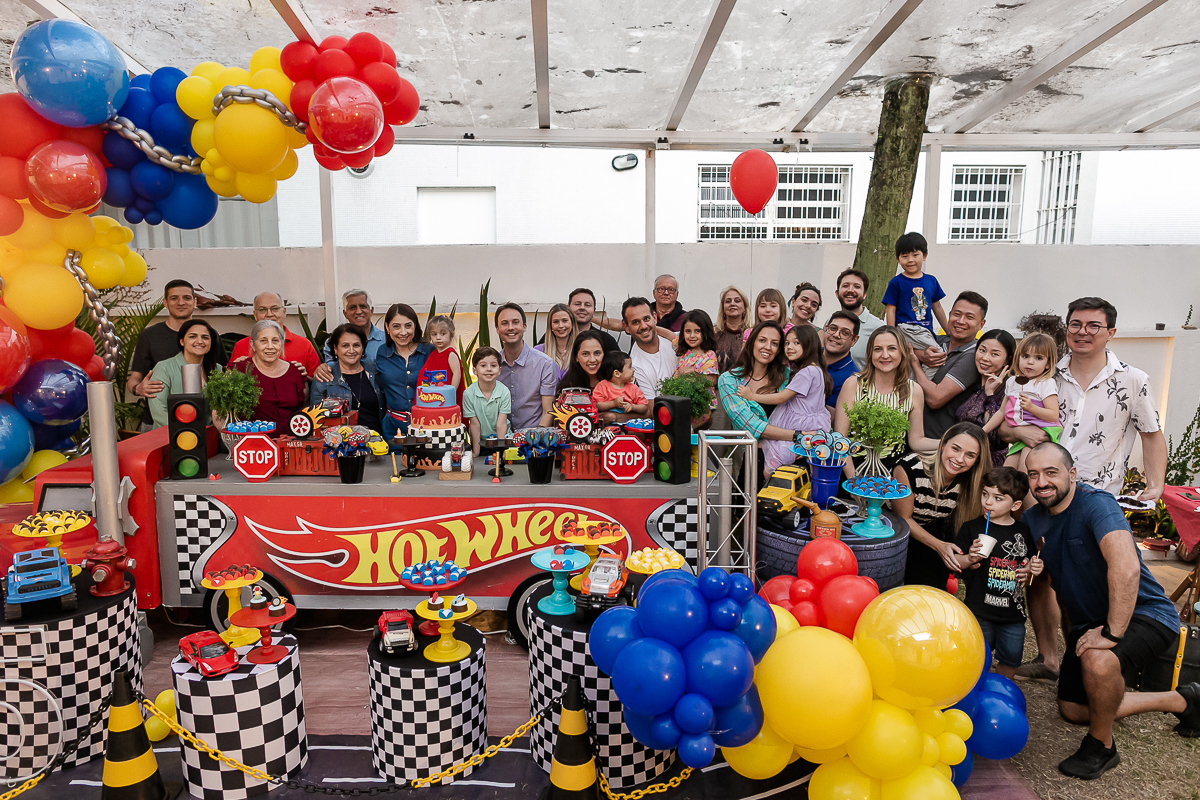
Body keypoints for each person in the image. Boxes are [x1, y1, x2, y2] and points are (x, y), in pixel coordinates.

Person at [1009, 298, 1168, 684]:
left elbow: (1151, 433)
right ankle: (1049, 658)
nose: (1083, 332)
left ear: (1110, 332)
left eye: (1093, 326)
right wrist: (1015, 432)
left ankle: (1080, 661)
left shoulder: (1134, 380)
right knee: (1040, 574)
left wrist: (1156, 484)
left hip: (1097, 497)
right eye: (1076, 324)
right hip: (1041, 492)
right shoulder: (1047, 375)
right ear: (1066, 329)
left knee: (1079, 584)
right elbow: (1011, 418)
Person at [1022, 443, 1200, 780]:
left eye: (1051, 472)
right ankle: (1182, 700)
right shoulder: (1034, 519)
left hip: (1145, 613)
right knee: (1074, 709)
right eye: (1034, 474)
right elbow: (1044, 577)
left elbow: (1126, 569)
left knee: (1098, 660)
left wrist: (1111, 634)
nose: (1041, 482)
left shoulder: (1096, 505)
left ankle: (1102, 747)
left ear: (1072, 474)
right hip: (1092, 622)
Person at [953, 467, 1042, 680]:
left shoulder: (1023, 532)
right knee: (975, 657)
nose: (988, 502)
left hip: (1012, 615)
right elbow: (955, 562)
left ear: (1016, 505)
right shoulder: (972, 528)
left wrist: (1033, 569)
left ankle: (1002, 689)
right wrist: (969, 558)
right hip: (979, 610)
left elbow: (1029, 567)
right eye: (985, 494)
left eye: (997, 498)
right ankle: (975, 688)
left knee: (1010, 659)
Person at [891, 422, 988, 588]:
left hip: (930, 529)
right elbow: (903, 519)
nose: (959, 459)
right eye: (955, 448)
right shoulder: (909, 468)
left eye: (970, 455)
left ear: (977, 460)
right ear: (943, 445)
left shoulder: (972, 481)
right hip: (894, 529)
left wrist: (969, 557)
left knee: (930, 589)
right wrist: (940, 546)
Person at [833, 326, 937, 471]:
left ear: (902, 352)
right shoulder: (853, 384)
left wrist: (947, 443)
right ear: (870, 354)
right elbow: (840, 438)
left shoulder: (914, 390)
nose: (885, 355)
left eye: (892, 348)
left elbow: (916, 441)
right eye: (878, 349)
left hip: (893, 471)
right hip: (853, 466)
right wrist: (854, 482)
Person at [129, 280, 228, 427]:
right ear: (165, 303)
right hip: (157, 421)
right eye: (174, 298)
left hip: (205, 428)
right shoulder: (149, 336)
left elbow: (222, 372)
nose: (181, 302)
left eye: (187, 298)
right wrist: (137, 388)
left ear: (195, 302)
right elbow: (134, 378)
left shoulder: (211, 335)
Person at [717, 322, 803, 485]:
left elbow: (803, 412)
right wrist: (798, 436)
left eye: (775, 343)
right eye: (762, 340)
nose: (768, 347)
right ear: (752, 343)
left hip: (789, 462)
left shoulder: (787, 377)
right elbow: (750, 426)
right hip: (754, 461)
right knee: (751, 509)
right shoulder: (729, 380)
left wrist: (804, 444)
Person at [739, 325, 831, 475]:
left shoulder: (806, 372)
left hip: (800, 423)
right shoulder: (817, 370)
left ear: (809, 344)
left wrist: (752, 396)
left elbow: (781, 397)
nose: (789, 347)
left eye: (796, 343)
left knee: (771, 467)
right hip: (815, 423)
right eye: (787, 343)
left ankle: (772, 492)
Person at [912, 292, 988, 442]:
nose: (960, 321)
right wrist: (919, 353)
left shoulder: (974, 355)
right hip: (910, 438)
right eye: (957, 314)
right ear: (949, 314)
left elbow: (935, 399)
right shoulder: (937, 341)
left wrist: (915, 363)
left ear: (981, 324)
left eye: (969, 317)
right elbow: (901, 346)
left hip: (941, 444)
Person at [983, 332, 1061, 470]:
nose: (1030, 362)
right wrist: (982, 432)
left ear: (1048, 364)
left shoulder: (1045, 383)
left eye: (1038, 358)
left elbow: (1053, 415)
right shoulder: (1012, 382)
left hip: (1041, 432)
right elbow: (1002, 412)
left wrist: (1032, 408)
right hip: (1021, 437)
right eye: (1025, 356)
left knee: (1025, 470)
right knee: (1007, 472)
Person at [883, 231, 948, 369]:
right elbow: (891, 309)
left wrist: (949, 331)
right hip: (905, 329)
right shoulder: (896, 282)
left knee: (913, 364)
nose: (910, 260)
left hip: (925, 331)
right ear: (898, 259)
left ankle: (920, 386)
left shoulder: (931, 281)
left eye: (915, 255)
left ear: (924, 256)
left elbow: (937, 308)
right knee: (938, 355)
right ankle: (928, 386)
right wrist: (891, 334)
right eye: (904, 256)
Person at [231, 320, 308, 436]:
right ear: (252, 344)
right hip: (253, 447)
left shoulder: (295, 372)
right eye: (263, 341)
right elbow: (220, 411)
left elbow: (303, 409)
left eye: (275, 341)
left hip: (290, 445)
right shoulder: (239, 371)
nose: (270, 346)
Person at [955, 329, 1017, 468]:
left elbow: (994, 434)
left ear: (1008, 359)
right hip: (963, 462)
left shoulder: (1010, 391)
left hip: (989, 467)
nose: (985, 358)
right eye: (982, 350)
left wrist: (990, 395)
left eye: (994, 354)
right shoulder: (972, 385)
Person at [147, 319, 223, 429]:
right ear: (182, 341)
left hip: (208, 438)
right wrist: (188, 432)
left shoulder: (218, 369)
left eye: (205, 337)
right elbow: (159, 413)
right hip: (171, 438)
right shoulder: (164, 368)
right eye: (193, 336)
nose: (200, 341)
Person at [228, 291, 321, 377]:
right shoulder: (241, 346)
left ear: (284, 312)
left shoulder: (304, 345)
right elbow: (229, 383)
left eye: (275, 308)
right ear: (255, 315)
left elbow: (318, 384)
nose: (269, 314)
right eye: (262, 310)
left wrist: (303, 377)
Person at [309, 324, 382, 433]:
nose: (351, 350)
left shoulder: (375, 372)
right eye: (345, 346)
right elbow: (316, 421)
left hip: (376, 442)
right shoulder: (324, 379)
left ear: (363, 347)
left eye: (356, 345)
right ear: (335, 349)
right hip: (340, 445)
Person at [375, 303, 433, 439]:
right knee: (393, 461)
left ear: (415, 326)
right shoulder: (382, 353)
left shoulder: (430, 351)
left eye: (408, 326)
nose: (403, 332)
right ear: (387, 328)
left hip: (427, 426)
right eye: (396, 326)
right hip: (393, 428)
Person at [496, 303, 557, 430]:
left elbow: (548, 412)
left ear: (524, 326)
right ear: (497, 329)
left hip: (533, 440)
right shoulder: (491, 366)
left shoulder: (545, 364)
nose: (510, 327)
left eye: (515, 322)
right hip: (499, 438)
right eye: (504, 323)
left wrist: (534, 440)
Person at [624, 297, 677, 401]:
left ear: (655, 318)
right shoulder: (634, 366)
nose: (643, 326)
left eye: (647, 319)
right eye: (635, 322)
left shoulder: (677, 341)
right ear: (626, 327)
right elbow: (653, 407)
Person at [673, 310, 719, 428]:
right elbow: (670, 335)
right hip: (681, 403)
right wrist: (655, 327)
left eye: (697, 331)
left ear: (706, 332)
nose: (692, 336)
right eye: (688, 331)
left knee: (697, 439)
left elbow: (713, 380)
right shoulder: (683, 351)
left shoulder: (709, 355)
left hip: (701, 407)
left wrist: (694, 373)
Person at [462, 347, 510, 456]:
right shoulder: (468, 394)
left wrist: (501, 452)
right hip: (481, 442)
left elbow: (501, 424)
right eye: (483, 366)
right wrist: (475, 452)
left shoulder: (504, 392)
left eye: (493, 365)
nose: (489, 369)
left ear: (499, 370)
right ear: (475, 371)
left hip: (502, 440)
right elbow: (474, 424)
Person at [833, 268, 883, 369]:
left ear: (865, 295)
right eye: (846, 286)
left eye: (857, 286)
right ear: (837, 293)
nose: (850, 290)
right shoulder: (831, 322)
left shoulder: (878, 328)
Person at [321, 290, 385, 364]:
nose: (358, 311)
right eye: (352, 308)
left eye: (363, 306)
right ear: (345, 313)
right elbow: (330, 370)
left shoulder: (386, 340)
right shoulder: (333, 342)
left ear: (371, 310)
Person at [822, 311, 860, 416]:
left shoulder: (850, 378)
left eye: (845, 333)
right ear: (826, 328)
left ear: (854, 340)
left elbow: (831, 419)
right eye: (833, 328)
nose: (836, 335)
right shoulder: (807, 354)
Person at [593, 351, 649, 417]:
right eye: (629, 367)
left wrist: (633, 407)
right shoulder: (602, 386)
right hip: (607, 425)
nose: (633, 370)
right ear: (617, 373)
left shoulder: (634, 388)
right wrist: (613, 404)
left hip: (628, 424)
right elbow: (596, 405)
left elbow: (644, 407)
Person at [419, 315, 464, 396]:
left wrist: (450, 392)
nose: (438, 337)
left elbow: (457, 374)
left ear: (451, 335)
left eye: (443, 334)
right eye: (434, 334)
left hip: (448, 397)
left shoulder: (451, 354)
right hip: (435, 395)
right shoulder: (433, 354)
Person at [535, 303, 575, 381]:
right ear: (550, 326)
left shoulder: (580, 350)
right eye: (556, 322)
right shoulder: (538, 351)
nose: (560, 325)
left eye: (565, 321)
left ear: (572, 323)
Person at [714, 285, 750, 373]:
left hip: (744, 385)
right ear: (723, 307)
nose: (732, 304)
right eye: (728, 301)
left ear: (744, 307)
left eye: (737, 301)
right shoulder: (713, 332)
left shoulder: (752, 333)